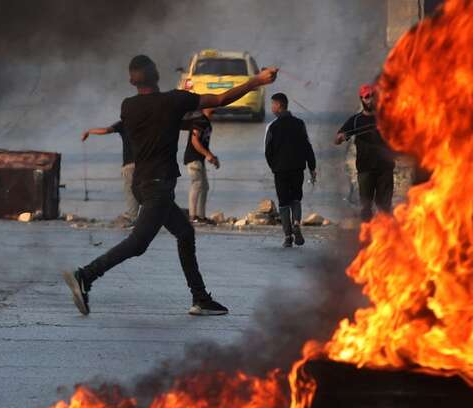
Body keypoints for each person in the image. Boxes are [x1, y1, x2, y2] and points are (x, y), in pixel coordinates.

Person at [64, 55, 278, 316]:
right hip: (157, 187)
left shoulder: (128, 106)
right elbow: (220, 100)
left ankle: (200, 298)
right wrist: (255, 81)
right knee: (138, 243)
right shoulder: (175, 100)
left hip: (142, 184)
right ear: (156, 74)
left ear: (131, 80)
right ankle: (86, 275)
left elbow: (163, 122)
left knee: (185, 233)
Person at [334, 84, 395, 221]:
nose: (371, 99)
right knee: (366, 208)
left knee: (385, 207)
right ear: (361, 99)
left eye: (373, 96)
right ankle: (366, 235)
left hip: (385, 168)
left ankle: (385, 236)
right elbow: (337, 139)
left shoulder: (385, 117)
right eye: (367, 97)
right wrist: (341, 137)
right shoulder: (355, 121)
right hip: (365, 170)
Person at [265, 93, 316, 247]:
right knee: (296, 198)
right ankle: (296, 223)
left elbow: (268, 151)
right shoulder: (299, 124)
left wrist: (274, 167)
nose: (272, 107)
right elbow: (307, 146)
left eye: (273, 104)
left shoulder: (272, 127)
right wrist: (312, 167)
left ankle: (288, 237)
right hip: (297, 168)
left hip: (280, 170)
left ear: (279, 106)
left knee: (283, 202)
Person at [81, 121, 139, 224]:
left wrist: (89, 131)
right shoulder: (147, 121)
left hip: (130, 165)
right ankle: (147, 216)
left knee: (131, 191)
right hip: (147, 164)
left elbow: (105, 130)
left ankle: (134, 219)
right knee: (146, 190)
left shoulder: (125, 122)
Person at [183, 108, 218, 224]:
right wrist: (208, 155)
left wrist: (212, 157)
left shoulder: (206, 123)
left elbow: (203, 143)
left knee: (204, 187)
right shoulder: (200, 121)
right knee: (197, 184)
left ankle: (201, 216)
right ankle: (193, 216)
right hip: (193, 158)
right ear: (205, 108)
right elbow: (195, 141)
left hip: (199, 159)